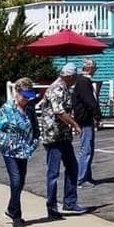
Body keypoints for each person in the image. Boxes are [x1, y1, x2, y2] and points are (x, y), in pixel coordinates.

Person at [0, 76, 40, 227]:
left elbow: (35, 129)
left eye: (29, 97)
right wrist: (8, 143)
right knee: (16, 180)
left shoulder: (29, 110)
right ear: (17, 93)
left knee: (21, 182)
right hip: (10, 151)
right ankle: (16, 216)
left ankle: (12, 209)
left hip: (24, 151)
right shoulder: (7, 109)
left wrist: (34, 143)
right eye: (24, 97)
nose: (26, 100)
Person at [41, 63, 85, 218]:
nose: (75, 80)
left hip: (63, 135)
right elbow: (58, 111)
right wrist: (75, 124)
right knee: (53, 173)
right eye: (74, 77)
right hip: (54, 136)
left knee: (73, 167)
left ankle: (70, 202)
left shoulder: (65, 88)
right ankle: (52, 208)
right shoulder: (57, 88)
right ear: (68, 76)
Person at [72, 57, 102, 186]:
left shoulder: (81, 81)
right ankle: (82, 178)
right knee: (86, 149)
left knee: (89, 148)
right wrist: (98, 116)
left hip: (85, 119)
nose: (95, 70)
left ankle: (87, 176)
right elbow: (90, 102)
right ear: (89, 68)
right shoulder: (84, 82)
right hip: (85, 120)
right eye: (94, 67)